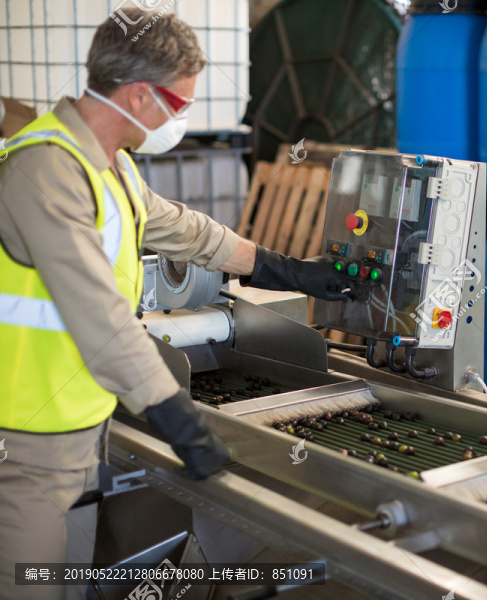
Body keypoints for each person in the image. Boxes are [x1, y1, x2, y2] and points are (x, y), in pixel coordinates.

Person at [0, 10, 350, 600]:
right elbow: (96, 313)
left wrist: (287, 269)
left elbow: (187, 231)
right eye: (179, 103)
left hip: (84, 424)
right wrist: (175, 416)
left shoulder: (112, 167)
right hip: (28, 437)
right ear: (139, 95)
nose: (183, 117)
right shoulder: (44, 169)